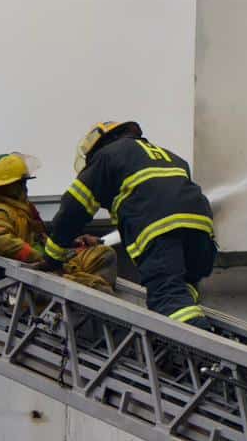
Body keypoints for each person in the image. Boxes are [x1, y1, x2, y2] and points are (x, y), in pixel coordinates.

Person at [48, 121, 217, 330]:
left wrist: (53, 254)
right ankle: (196, 329)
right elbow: (156, 199)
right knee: (182, 288)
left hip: (161, 230)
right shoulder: (169, 156)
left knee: (166, 295)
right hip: (200, 230)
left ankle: (196, 350)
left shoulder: (107, 156)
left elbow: (73, 208)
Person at [0, 152, 117, 293]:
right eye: (20, 184)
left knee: (103, 254)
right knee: (98, 289)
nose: (25, 188)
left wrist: (73, 243)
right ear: (6, 188)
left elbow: (40, 241)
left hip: (46, 270)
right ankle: (79, 313)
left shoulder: (22, 212)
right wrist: (37, 257)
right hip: (26, 281)